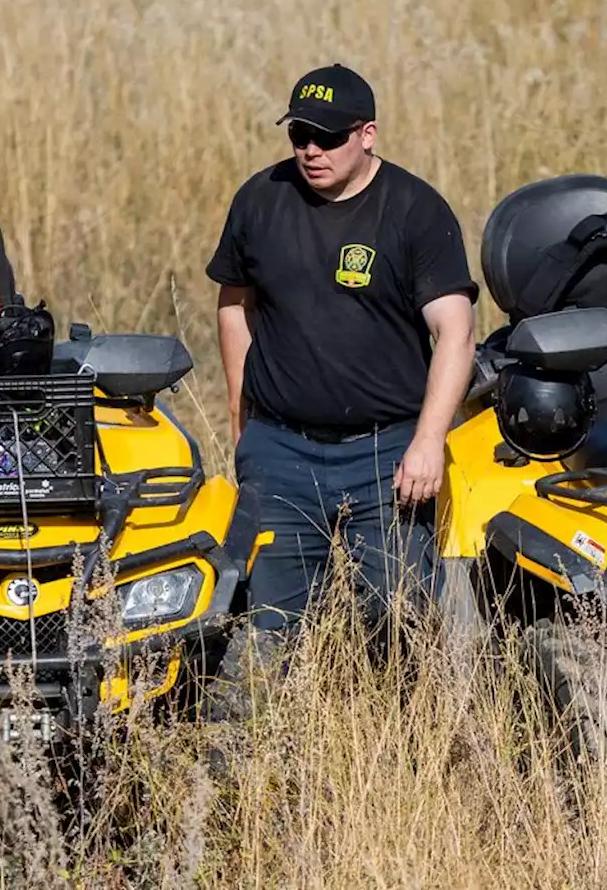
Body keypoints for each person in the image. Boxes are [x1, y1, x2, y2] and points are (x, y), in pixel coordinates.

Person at [205, 62, 479, 645]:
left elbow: (455, 332)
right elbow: (234, 305)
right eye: (299, 136)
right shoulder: (260, 200)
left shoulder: (414, 210)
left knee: (400, 620)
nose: (311, 150)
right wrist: (240, 418)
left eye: (328, 137)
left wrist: (429, 442)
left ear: (367, 134)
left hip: (386, 454)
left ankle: (402, 731)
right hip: (279, 448)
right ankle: (269, 733)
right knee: (267, 627)